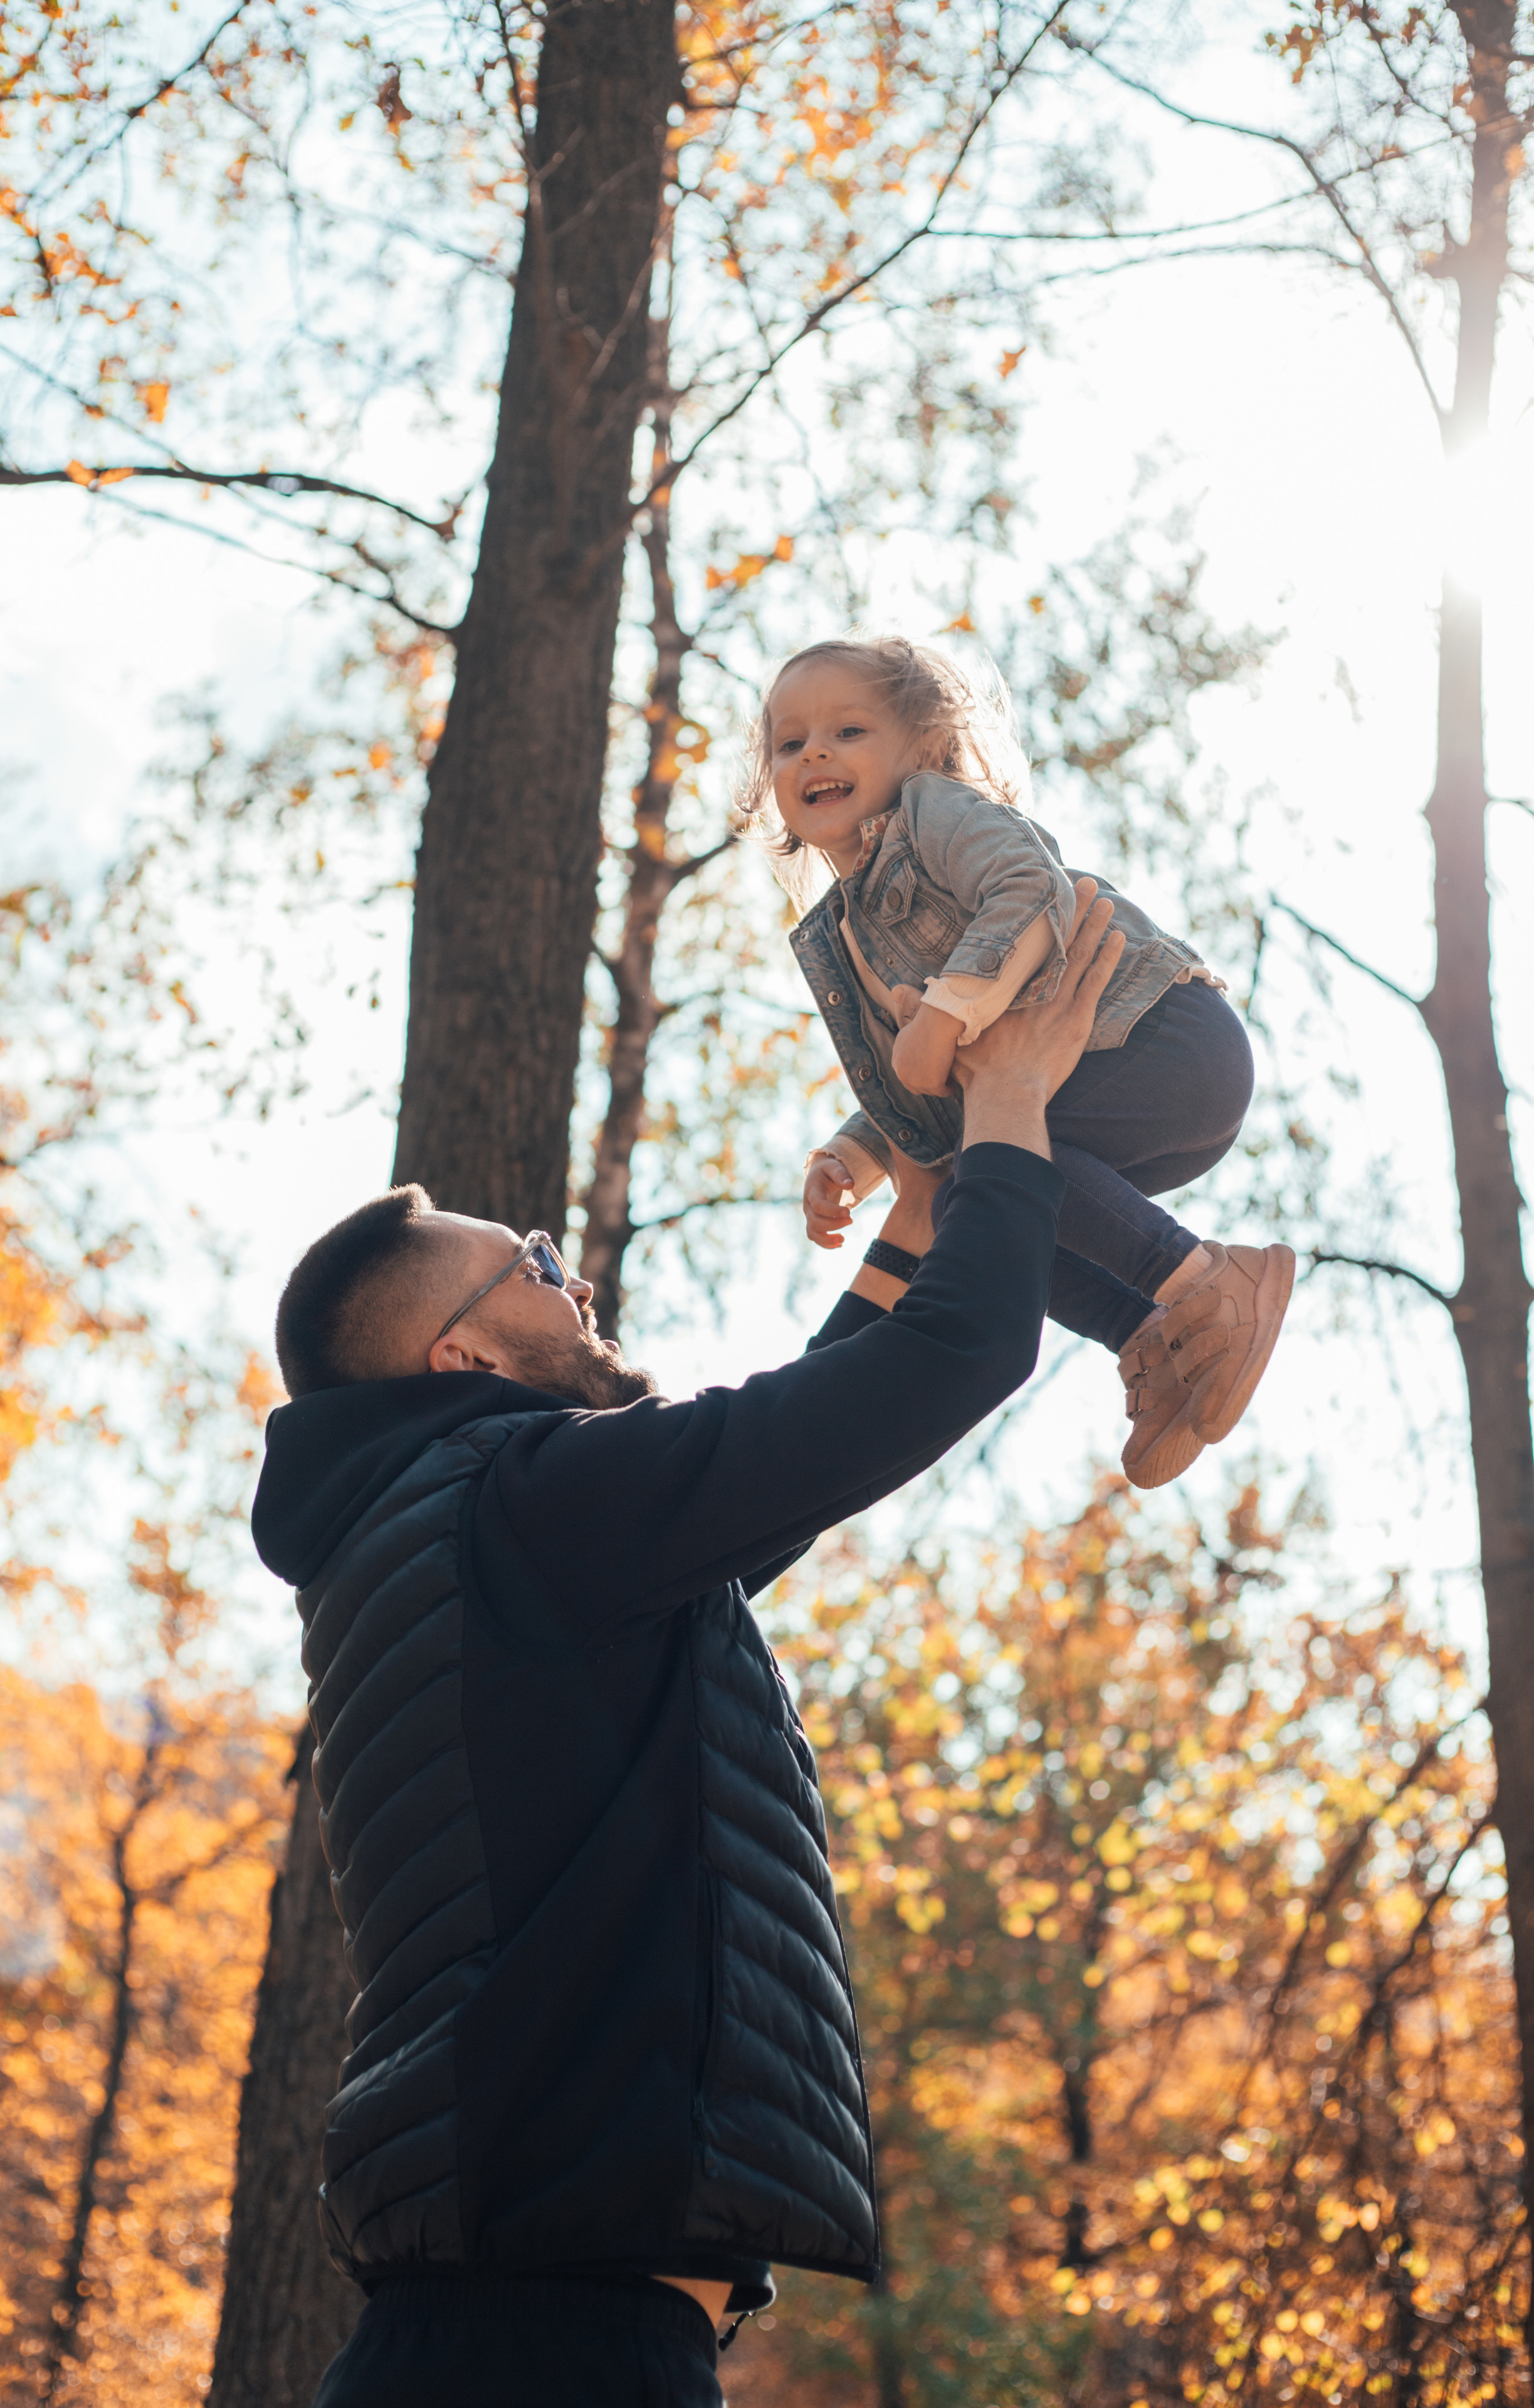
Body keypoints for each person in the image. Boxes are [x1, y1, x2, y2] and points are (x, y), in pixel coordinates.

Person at [251, 888, 1125, 2408]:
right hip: (542, 2351)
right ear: (454, 1354)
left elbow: (762, 1482)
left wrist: (912, 1230)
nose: (561, 1267)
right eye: (525, 1259)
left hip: (520, 2327)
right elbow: (953, 1362)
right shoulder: (518, 1503)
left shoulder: (457, 1522)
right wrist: (1005, 1119)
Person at [736, 633, 1295, 1491]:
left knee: (988, 1167)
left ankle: (1212, 1280)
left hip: (1160, 1041)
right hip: (1090, 1102)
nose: (813, 751)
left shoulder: (934, 813)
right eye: (789, 742)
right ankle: (1160, 1337)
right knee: (987, 1213)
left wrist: (952, 1008)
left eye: (848, 731)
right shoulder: (842, 933)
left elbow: (1029, 889)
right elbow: (916, 1083)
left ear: (921, 749)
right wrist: (855, 1156)